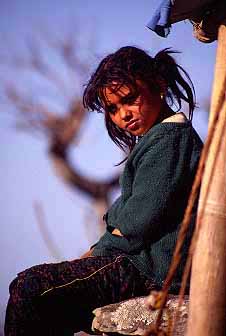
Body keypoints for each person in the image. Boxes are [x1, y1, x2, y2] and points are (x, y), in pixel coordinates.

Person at [4, 46, 203, 335]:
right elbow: (127, 212)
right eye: (113, 108)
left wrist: (95, 252)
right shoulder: (158, 139)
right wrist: (115, 223)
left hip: (148, 270)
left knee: (30, 287)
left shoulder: (169, 139)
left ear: (158, 86)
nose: (123, 114)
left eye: (130, 99)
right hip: (138, 264)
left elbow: (135, 222)